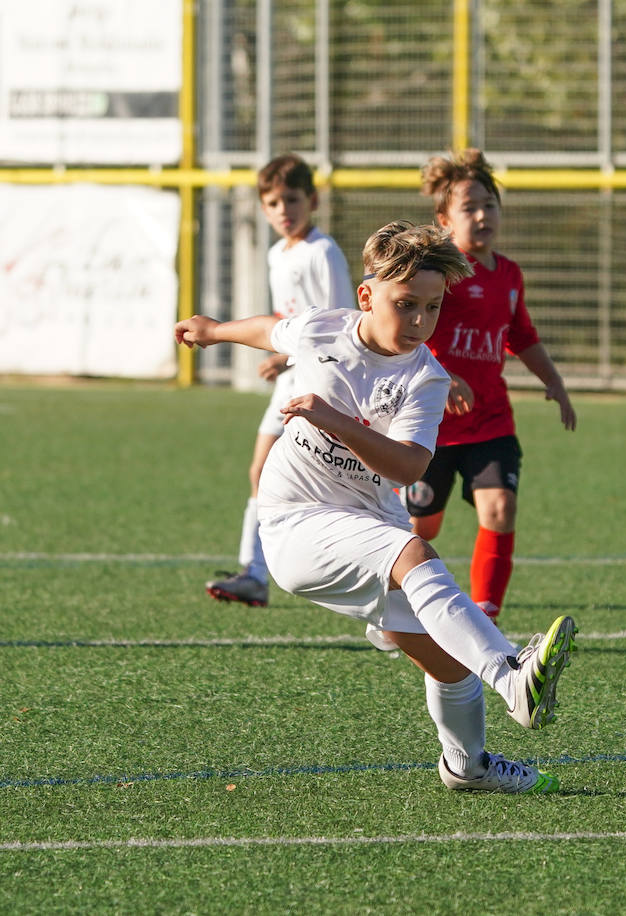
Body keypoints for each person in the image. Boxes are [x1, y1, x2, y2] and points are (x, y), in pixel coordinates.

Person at [176, 220, 577, 794]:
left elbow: (409, 467)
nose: (419, 323)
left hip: (367, 521)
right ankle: (512, 675)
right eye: (406, 304)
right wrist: (214, 330)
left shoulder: (426, 378)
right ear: (366, 296)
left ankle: (467, 765)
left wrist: (331, 418)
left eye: (433, 308)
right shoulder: (323, 330)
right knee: (415, 551)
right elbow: (272, 330)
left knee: (447, 660)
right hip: (294, 520)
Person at [398, 149, 576, 625]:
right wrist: (444, 377)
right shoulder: (438, 276)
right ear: (443, 219)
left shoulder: (510, 274)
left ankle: (484, 617)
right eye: (469, 207)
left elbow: (521, 336)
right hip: (432, 424)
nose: (482, 216)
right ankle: (402, 612)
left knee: (500, 507)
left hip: (491, 420)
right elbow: (407, 334)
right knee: (420, 527)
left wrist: (555, 381)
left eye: (489, 205)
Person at [206, 153, 356, 607]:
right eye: (271, 203)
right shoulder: (277, 253)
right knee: (260, 471)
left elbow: (339, 322)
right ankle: (254, 573)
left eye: (291, 199)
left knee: (332, 487)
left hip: (318, 385)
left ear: (311, 199)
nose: (282, 210)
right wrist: (280, 355)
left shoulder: (322, 251)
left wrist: (286, 358)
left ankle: (372, 572)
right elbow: (286, 323)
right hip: (289, 384)